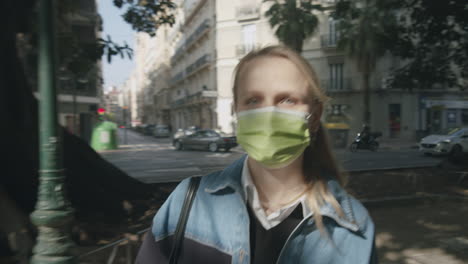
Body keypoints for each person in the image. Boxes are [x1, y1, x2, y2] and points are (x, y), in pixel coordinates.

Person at [136, 45, 377, 263]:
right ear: (236, 112)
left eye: (287, 100)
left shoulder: (355, 226)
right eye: (253, 100)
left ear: (314, 116)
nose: (269, 114)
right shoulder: (186, 203)